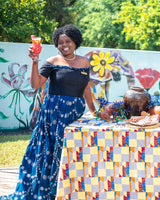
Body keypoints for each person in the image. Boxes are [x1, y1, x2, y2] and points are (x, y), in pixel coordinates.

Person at [0, 24, 98, 200]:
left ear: (75, 42)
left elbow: (85, 89)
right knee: (49, 152)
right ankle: (48, 191)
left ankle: (68, 190)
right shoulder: (52, 62)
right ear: (56, 44)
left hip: (74, 115)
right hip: (53, 115)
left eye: (68, 41)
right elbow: (35, 85)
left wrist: (94, 111)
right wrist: (35, 61)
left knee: (70, 151)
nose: (64, 45)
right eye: (60, 42)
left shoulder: (84, 62)